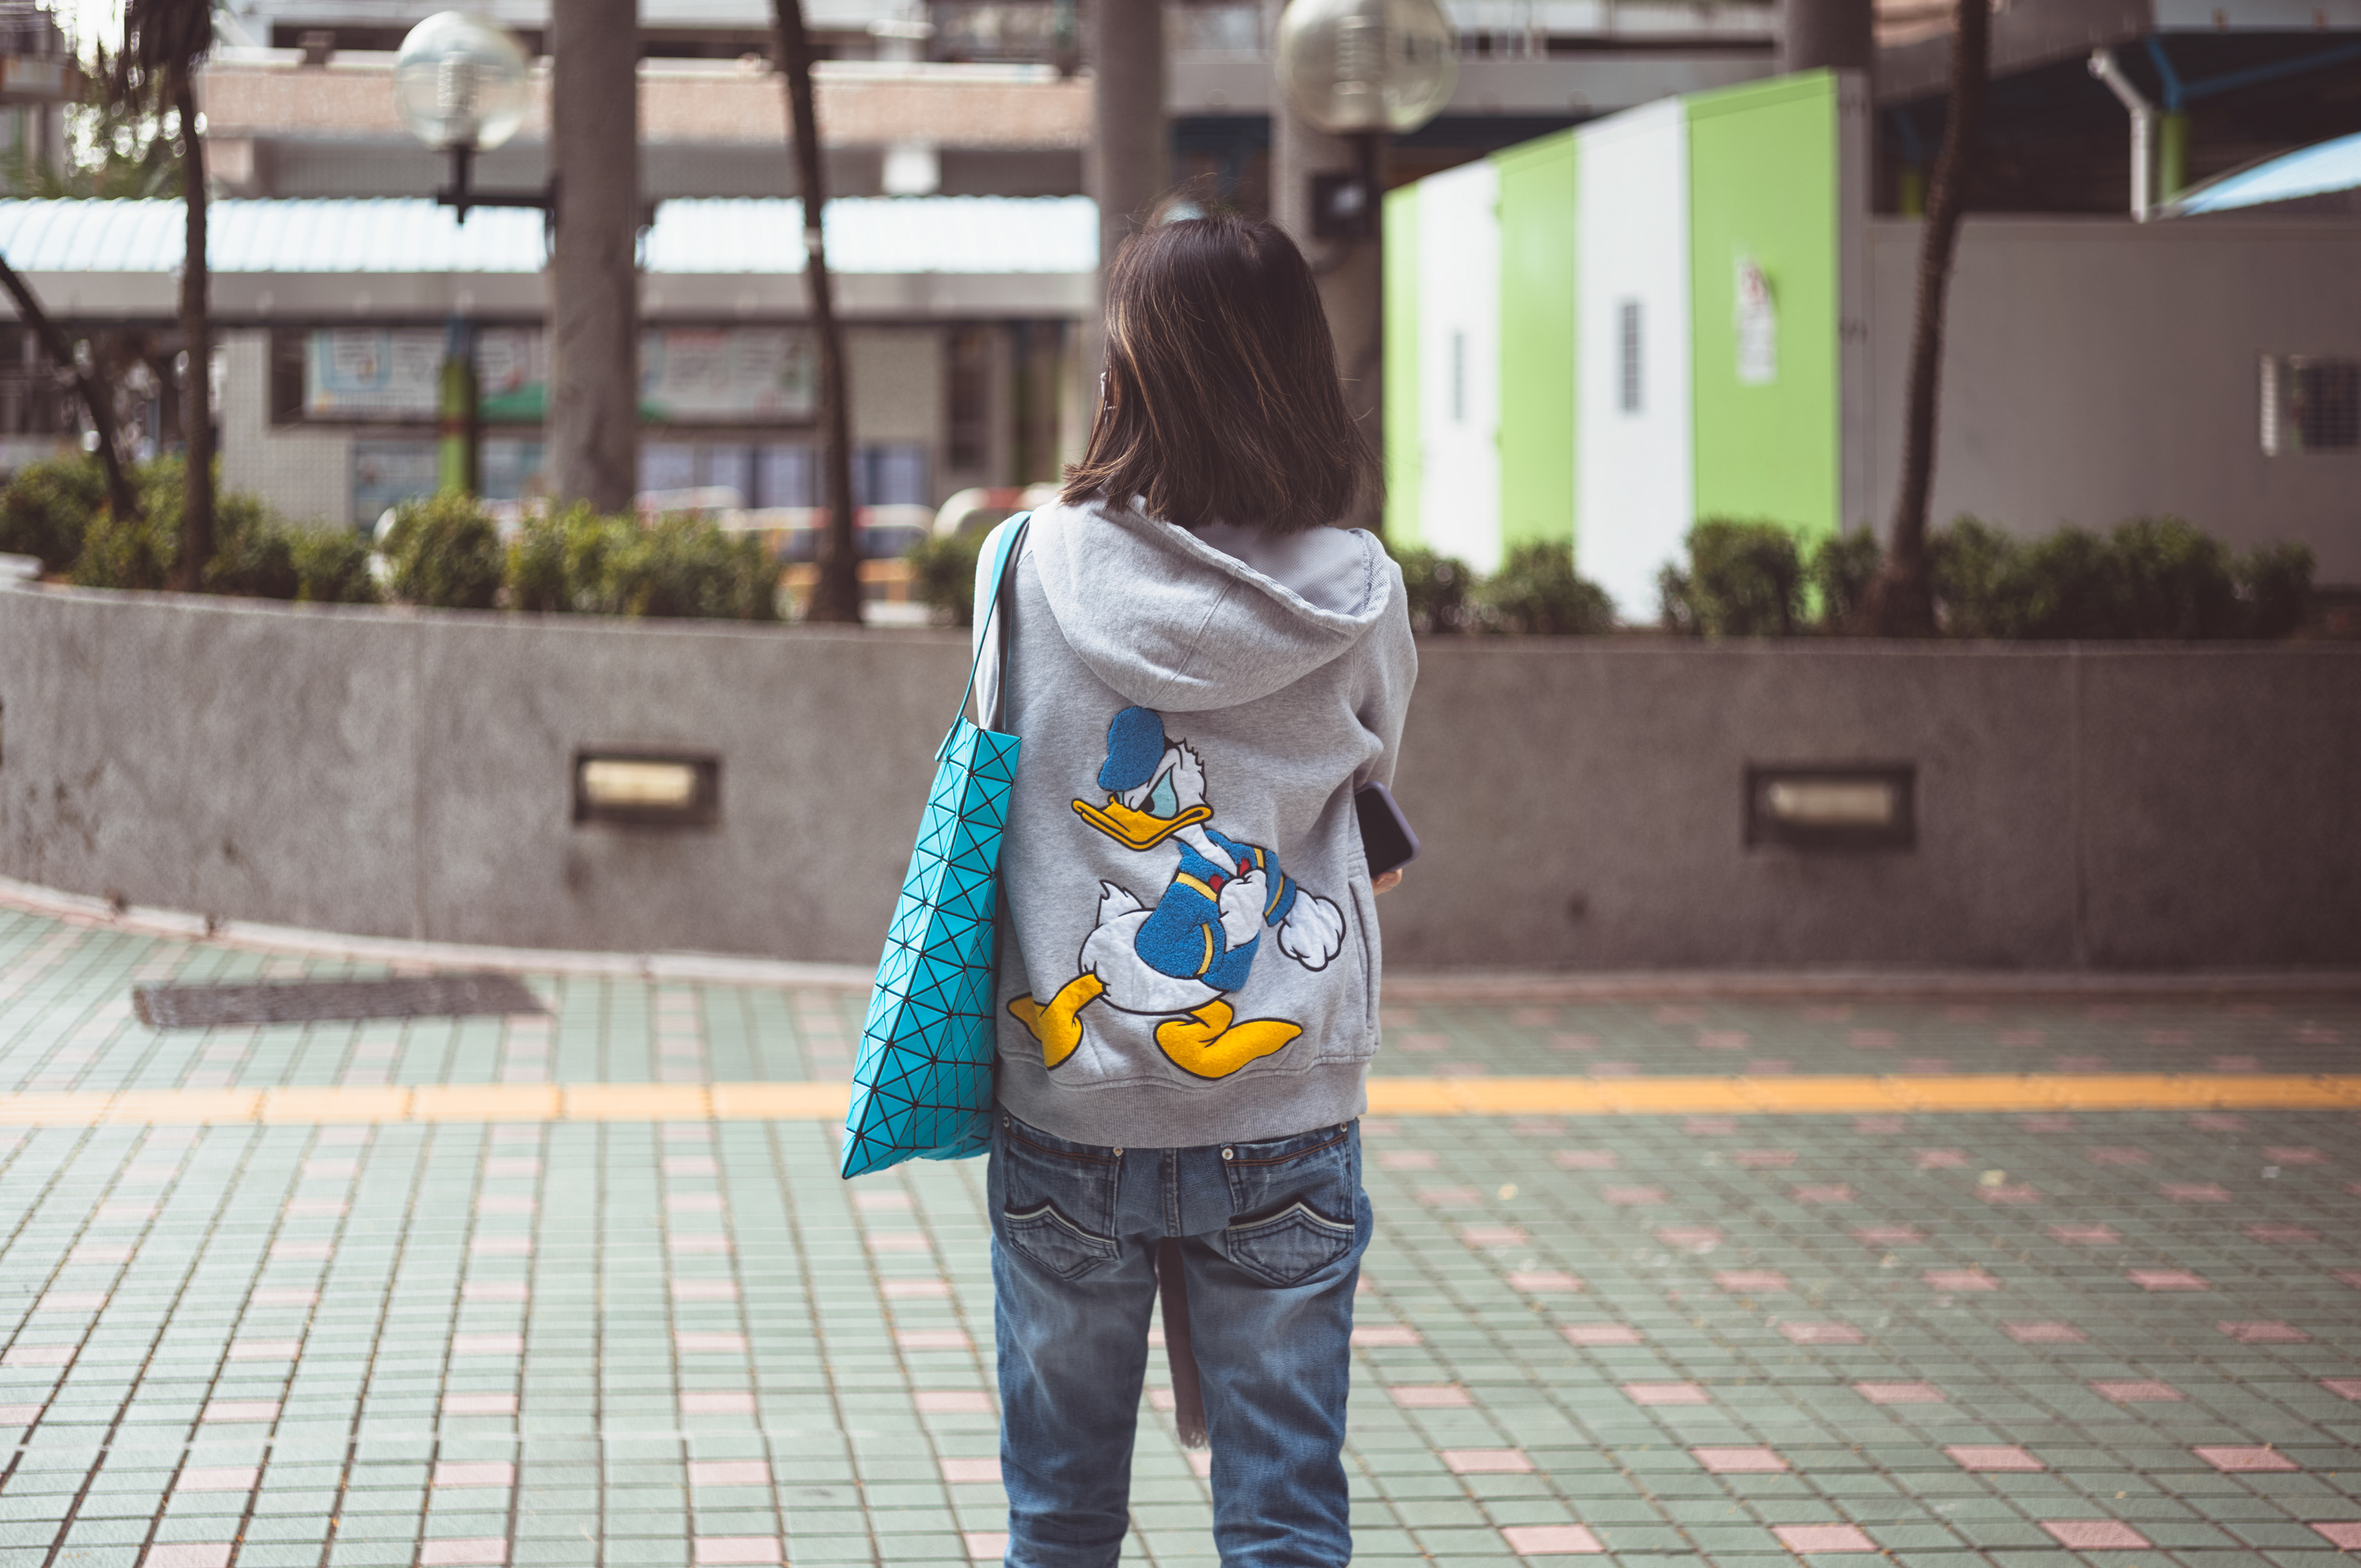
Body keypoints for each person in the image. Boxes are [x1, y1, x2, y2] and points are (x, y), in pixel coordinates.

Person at [973, 205, 1417, 1568]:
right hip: (1283, 1109)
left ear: (1130, 371)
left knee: (1059, 1517)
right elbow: (1374, 785)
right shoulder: (1358, 594)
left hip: (1070, 1105)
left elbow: (1004, 778)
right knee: (1284, 1517)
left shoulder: (1022, 567)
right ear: (1298, 366)